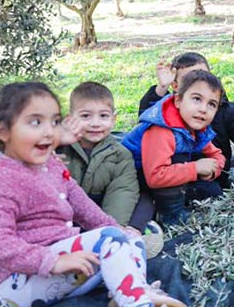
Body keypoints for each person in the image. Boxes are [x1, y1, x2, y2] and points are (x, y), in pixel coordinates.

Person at [0, 82, 202, 307]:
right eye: (35, 122)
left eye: (54, 122)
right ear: (3, 131)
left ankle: (131, 293)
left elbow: (83, 206)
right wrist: (51, 261)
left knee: (126, 238)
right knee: (111, 241)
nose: (48, 131)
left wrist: (120, 231)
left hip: (64, 266)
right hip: (21, 283)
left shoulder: (49, 163)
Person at [139, 52, 234, 188]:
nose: (201, 83)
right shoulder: (166, 114)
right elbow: (148, 118)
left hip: (213, 176)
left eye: (205, 76)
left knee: (211, 191)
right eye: (191, 79)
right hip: (172, 180)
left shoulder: (226, 110)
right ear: (176, 87)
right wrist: (161, 88)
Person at [57, 82, 165, 257]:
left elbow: (122, 191)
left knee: (145, 198)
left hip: (100, 207)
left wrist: (110, 229)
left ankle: (131, 232)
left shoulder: (120, 155)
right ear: (70, 119)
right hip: (64, 208)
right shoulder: (58, 146)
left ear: (114, 119)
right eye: (85, 116)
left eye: (103, 116)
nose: (95, 123)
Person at [123, 71, 226, 226]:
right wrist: (196, 168)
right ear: (178, 100)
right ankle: (170, 216)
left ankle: (174, 200)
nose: (203, 109)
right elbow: (156, 176)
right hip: (132, 176)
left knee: (212, 191)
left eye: (211, 104)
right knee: (179, 159)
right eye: (197, 99)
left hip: (162, 174)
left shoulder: (196, 126)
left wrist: (212, 170)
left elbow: (217, 154)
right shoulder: (162, 129)